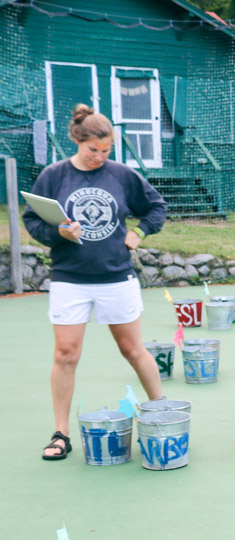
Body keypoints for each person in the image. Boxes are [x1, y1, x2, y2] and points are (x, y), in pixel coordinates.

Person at [25, 104, 168, 460]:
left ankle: (163, 412)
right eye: (93, 150)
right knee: (65, 354)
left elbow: (156, 207)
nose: (100, 157)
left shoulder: (121, 175)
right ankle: (61, 433)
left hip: (116, 277)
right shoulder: (54, 176)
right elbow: (34, 222)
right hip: (70, 279)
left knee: (132, 349)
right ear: (77, 140)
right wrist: (59, 231)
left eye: (106, 151)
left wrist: (138, 231)